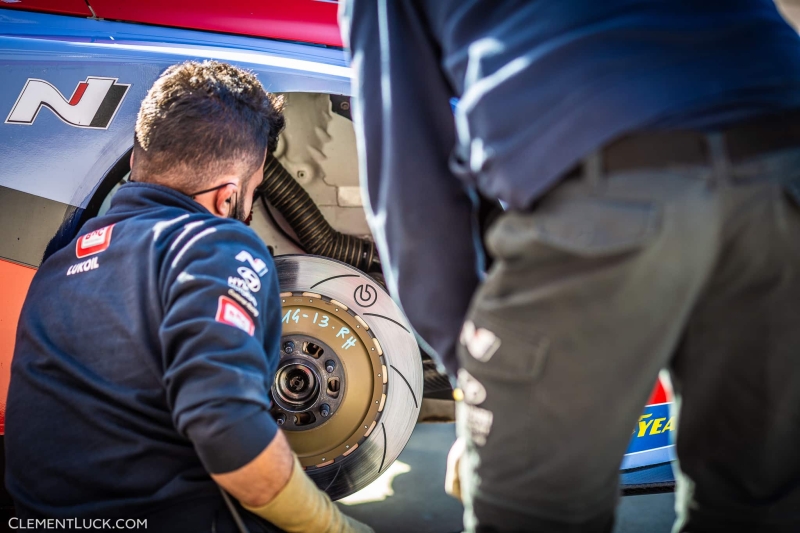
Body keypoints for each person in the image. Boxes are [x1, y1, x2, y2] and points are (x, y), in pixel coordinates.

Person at [340, 2, 800, 532]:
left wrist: (478, 381)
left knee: (536, 516)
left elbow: (411, 191)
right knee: (755, 504)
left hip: (612, 171)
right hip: (784, 148)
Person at [5, 60, 372, 533]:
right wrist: (334, 528)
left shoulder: (61, 261)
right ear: (226, 199)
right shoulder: (216, 245)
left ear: (137, 159)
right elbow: (230, 432)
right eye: (254, 193)